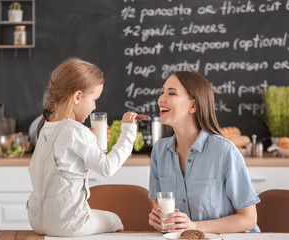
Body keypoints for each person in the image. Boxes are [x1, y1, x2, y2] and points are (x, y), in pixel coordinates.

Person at [27, 57, 139, 237]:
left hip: (37, 220)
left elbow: (65, 154)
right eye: (94, 99)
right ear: (78, 96)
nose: (94, 107)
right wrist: (128, 132)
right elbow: (107, 168)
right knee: (115, 220)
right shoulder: (75, 130)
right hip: (67, 224)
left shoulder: (45, 126)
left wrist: (90, 139)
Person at [148, 71, 260, 233]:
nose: (161, 99)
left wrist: (194, 227)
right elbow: (160, 207)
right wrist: (159, 219)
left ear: (193, 105)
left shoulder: (224, 150)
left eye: (171, 93)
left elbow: (248, 219)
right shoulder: (159, 152)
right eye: (162, 92)